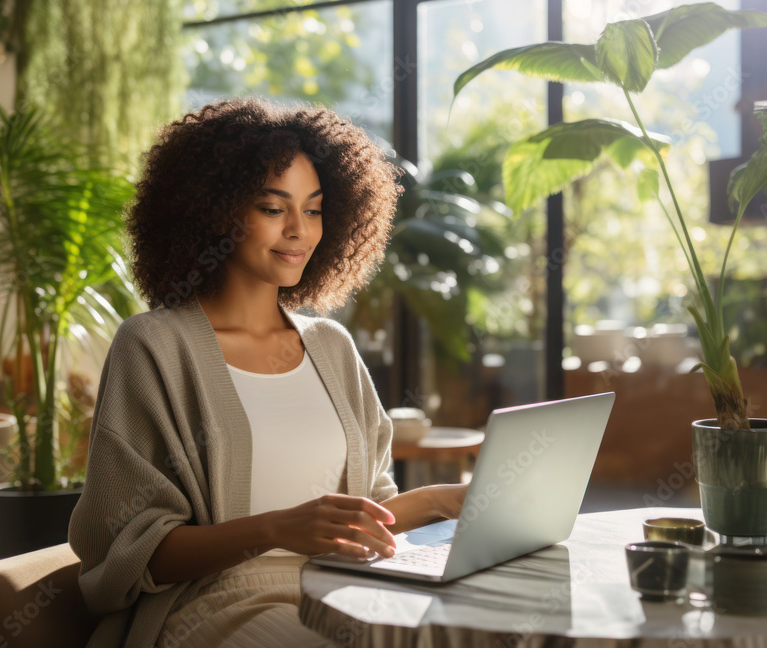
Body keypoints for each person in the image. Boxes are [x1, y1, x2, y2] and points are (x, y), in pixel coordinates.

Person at [67, 96, 468, 648]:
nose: (299, 231)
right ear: (214, 209)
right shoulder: (154, 346)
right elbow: (123, 549)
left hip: (350, 591)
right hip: (218, 606)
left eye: (315, 209)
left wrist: (441, 501)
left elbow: (363, 519)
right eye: (273, 208)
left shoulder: (332, 346)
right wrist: (275, 529)